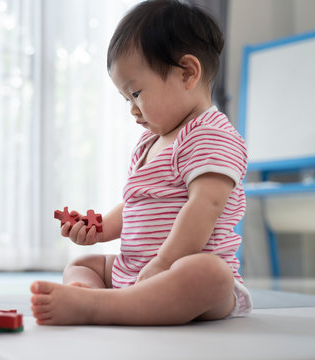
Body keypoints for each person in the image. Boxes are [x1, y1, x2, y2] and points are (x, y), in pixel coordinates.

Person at [30, 0, 252, 326]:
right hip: (136, 270)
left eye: (135, 94)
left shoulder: (211, 134)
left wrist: (164, 262)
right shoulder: (149, 142)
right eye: (125, 99)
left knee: (209, 274)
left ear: (187, 73)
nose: (132, 110)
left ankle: (99, 307)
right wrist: (100, 228)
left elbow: (205, 206)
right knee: (85, 264)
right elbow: (137, 203)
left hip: (182, 269)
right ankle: (94, 293)